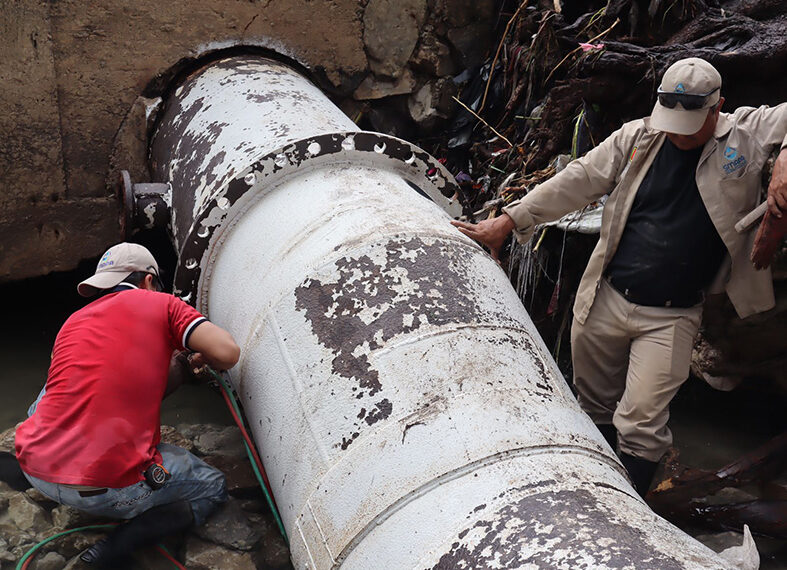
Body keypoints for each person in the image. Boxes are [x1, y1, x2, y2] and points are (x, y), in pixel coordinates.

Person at [452, 58, 787, 495]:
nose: (677, 132)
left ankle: (631, 516)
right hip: (605, 297)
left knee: (643, 422)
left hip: (672, 314)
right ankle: (594, 496)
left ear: (717, 107)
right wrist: (510, 220)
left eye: (689, 122)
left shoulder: (747, 131)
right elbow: (579, 179)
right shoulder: (639, 136)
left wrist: (784, 162)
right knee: (592, 407)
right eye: (671, 119)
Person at [14, 242, 241, 567]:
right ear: (148, 281)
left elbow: (109, 386)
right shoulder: (163, 304)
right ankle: (112, 550)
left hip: (36, 469)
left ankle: (29, 464)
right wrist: (202, 355)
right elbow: (227, 352)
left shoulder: (72, 322)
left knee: (53, 391)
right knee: (212, 487)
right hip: (108, 490)